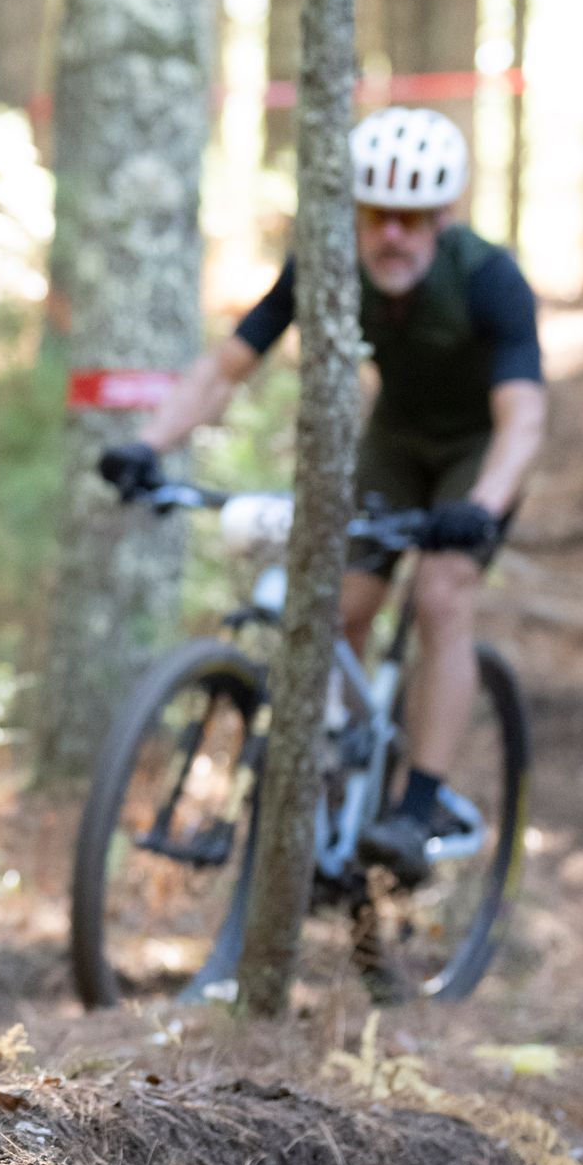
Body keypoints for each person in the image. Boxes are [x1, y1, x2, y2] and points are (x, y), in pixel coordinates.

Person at [99, 106, 545, 884]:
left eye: (412, 218)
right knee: (341, 606)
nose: (393, 235)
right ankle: (341, 773)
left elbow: (523, 415)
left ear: (442, 216)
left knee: (442, 594)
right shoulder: (325, 263)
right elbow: (226, 367)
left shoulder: (487, 278)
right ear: (355, 214)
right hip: (396, 442)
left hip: (479, 450)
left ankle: (416, 807)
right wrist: (149, 444)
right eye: (377, 215)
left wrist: (482, 506)